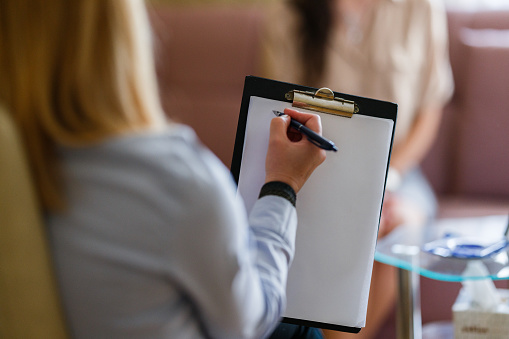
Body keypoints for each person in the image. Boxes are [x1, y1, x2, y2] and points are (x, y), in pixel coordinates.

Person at [0, 0, 326, 338]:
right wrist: (283, 184)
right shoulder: (176, 182)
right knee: (297, 328)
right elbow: (252, 322)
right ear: (121, 34)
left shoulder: (18, 161)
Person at [260, 0, 454, 338]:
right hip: (317, 167)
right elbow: (279, 106)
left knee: (402, 222)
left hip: (397, 171)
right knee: (342, 224)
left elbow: (429, 110)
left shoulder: (421, 8)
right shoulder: (287, 11)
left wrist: (385, 182)